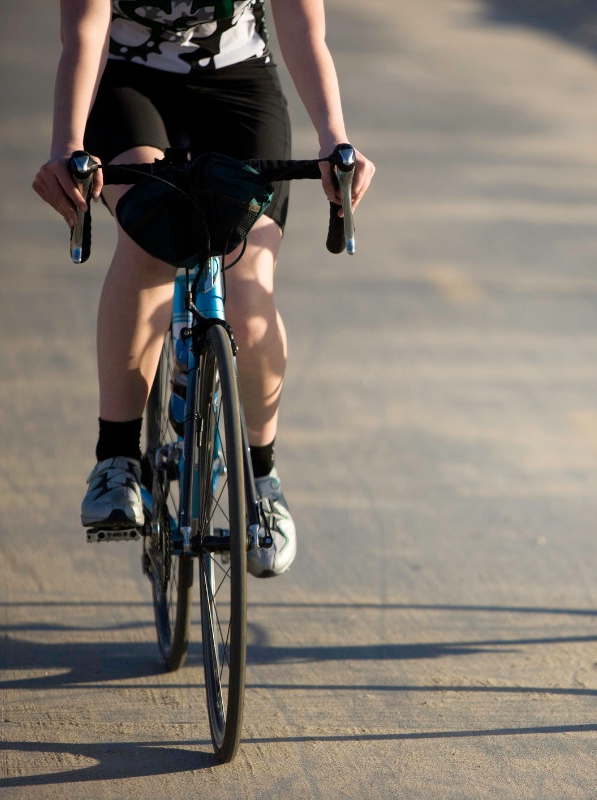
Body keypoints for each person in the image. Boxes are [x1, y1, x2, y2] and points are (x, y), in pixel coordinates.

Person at [32, 0, 375, 577]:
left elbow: (302, 25)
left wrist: (334, 140)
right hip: (128, 82)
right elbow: (85, 27)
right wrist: (68, 145)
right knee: (150, 240)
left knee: (249, 290)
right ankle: (116, 459)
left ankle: (261, 477)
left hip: (239, 83)